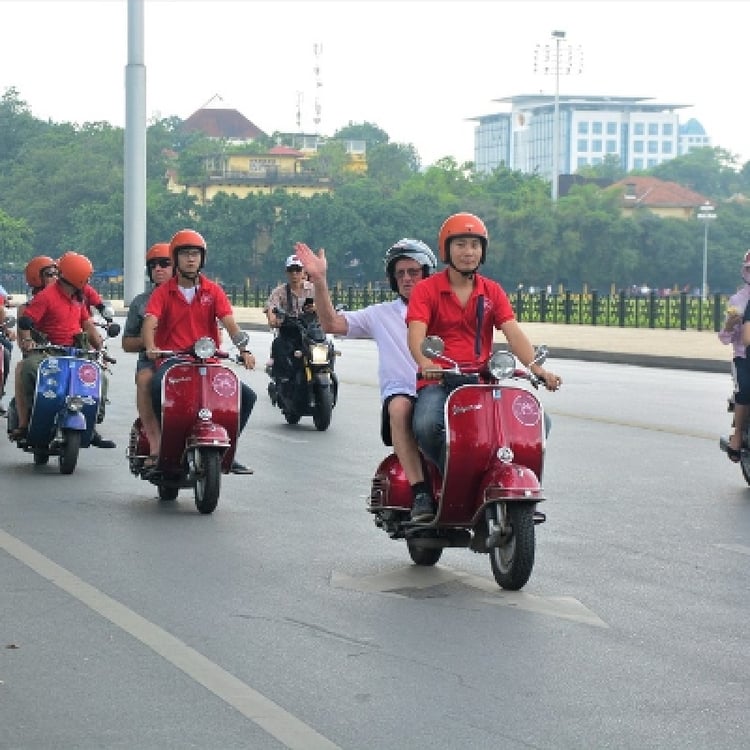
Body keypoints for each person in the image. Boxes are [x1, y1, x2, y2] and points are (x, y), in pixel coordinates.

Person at [407, 212, 562, 522]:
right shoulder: (427, 290)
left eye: (475, 245)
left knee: (537, 422)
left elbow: (513, 332)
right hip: (440, 381)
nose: (468, 252)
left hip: (481, 382)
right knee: (425, 425)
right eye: (461, 244)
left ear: (483, 251)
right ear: (446, 250)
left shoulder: (492, 291)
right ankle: (448, 485)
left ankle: (510, 490)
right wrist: (426, 363)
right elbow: (416, 334)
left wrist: (537, 368)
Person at [295, 238, 438, 519]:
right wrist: (320, 280)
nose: (407, 279)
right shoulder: (380, 314)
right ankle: (420, 492)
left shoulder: (446, 309)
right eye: (401, 274)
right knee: (400, 408)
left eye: (414, 271)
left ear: (428, 273)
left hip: (441, 390)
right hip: (405, 392)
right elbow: (332, 324)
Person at [141, 229, 256, 474]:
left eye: (195, 254)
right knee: (156, 388)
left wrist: (244, 349)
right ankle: (163, 448)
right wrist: (151, 346)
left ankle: (228, 449)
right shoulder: (163, 292)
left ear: (202, 259)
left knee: (246, 396)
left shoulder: (213, 291)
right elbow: (150, 321)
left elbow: (229, 323)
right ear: (176, 258)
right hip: (174, 363)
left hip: (209, 362)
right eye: (185, 254)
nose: (190, 259)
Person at [11, 251, 114, 444]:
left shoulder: (78, 297)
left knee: (99, 376)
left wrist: (101, 348)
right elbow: (27, 321)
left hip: (76, 350)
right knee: (30, 369)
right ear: (79, 276)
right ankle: (32, 417)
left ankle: (92, 423)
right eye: (87, 277)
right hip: (48, 350)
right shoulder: (46, 297)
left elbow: (87, 324)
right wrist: (27, 341)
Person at [122, 242, 172, 460]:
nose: (158, 269)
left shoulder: (191, 296)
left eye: (164, 264)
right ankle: (155, 442)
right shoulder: (141, 303)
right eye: (153, 265)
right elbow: (126, 342)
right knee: (144, 379)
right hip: (152, 362)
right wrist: (148, 343)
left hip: (186, 359)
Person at [264, 254, 316, 381]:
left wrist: (316, 308)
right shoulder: (280, 291)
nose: (294, 274)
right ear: (286, 272)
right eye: (291, 270)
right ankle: (283, 380)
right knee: (278, 344)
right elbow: (271, 307)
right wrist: (273, 319)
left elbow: (325, 305)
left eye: (297, 270)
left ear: (303, 271)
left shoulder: (313, 289)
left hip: (310, 332)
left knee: (327, 347)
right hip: (289, 332)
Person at [723, 249, 750, 461]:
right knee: (746, 390)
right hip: (744, 357)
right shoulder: (738, 300)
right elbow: (725, 337)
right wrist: (731, 325)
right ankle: (738, 433)